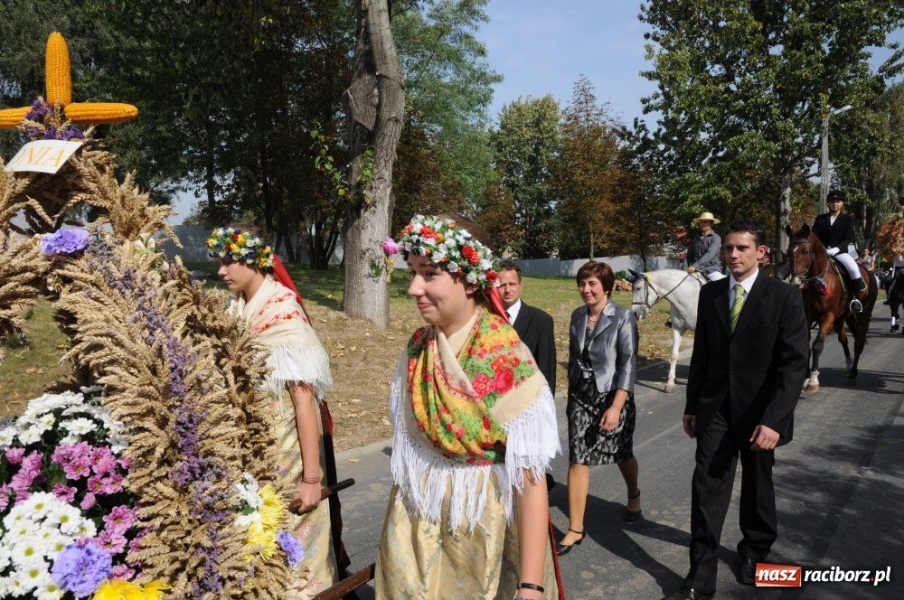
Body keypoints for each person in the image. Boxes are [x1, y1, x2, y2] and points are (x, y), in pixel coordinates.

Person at [374, 215, 560, 600]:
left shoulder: (504, 356)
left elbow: (530, 481)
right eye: (412, 272)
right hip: (415, 532)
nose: (413, 288)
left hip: (484, 534)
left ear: (469, 277)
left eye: (428, 274)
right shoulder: (415, 350)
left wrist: (530, 586)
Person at [663, 219, 808, 600]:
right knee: (706, 488)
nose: (733, 255)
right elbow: (704, 357)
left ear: (761, 252)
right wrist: (693, 406)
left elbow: (793, 365)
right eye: (728, 248)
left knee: (758, 489)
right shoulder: (711, 295)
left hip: (761, 416)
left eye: (742, 248)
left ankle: (755, 554)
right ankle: (700, 576)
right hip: (717, 411)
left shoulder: (783, 297)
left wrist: (774, 420)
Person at [208, 225, 338, 595]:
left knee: (299, 554)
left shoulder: (282, 313)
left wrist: (311, 479)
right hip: (248, 455)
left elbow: (304, 403)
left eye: (229, 261)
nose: (221, 271)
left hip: (289, 457)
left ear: (255, 262)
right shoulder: (236, 311)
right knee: (257, 548)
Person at [557, 261, 641, 557]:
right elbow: (573, 356)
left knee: (622, 453)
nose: (586, 289)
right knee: (579, 458)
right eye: (582, 283)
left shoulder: (623, 317)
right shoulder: (577, 316)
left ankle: (633, 494)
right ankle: (576, 528)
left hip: (612, 397)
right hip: (581, 397)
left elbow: (628, 365)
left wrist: (617, 406)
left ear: (606, 286)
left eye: (592, 284)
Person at [498, 260, 557, 392]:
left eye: (512, 284)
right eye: (502, 285)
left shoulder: (541, 321)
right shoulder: (489, 319)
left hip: (528, 400)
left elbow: (547, 371)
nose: (507, 290)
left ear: (520, 285)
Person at [812, 189, 866, 313]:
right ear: (828, 204)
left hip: (840, 252)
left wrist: (837, 249)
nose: (835, 204)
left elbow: (849, 238)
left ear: (842, 204)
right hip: (823, 252)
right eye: (832, 201)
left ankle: (855, 299)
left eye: (838, 201)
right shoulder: (820, 219)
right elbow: (815, 236)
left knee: (853, 268)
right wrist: (822, 249)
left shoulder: (846, 219)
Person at [686, 211, 725, 281]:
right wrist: (688, 267)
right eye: (701, 222)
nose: (702, 224)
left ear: (711, 223)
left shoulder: (715, 238)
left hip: (711, 271)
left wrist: (695, 266)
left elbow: (710, 254)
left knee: (724, 287)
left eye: (705, 222)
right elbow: (689, 255)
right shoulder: (695, 239)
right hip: (696, 272)